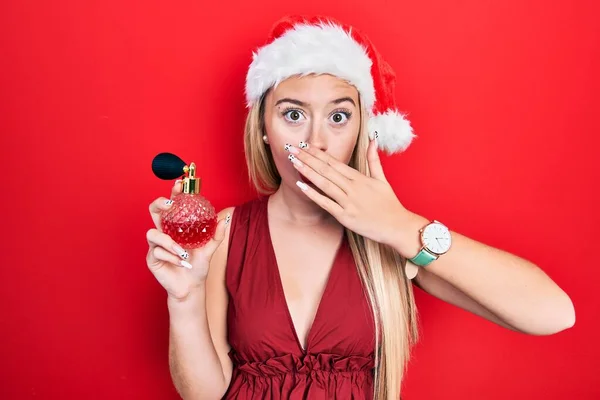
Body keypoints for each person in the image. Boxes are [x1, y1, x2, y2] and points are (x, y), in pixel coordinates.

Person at [145, 15, 575, 400]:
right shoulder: (226, 233)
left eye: (338, 117)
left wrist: (401, 227)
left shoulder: (390, 239)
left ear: (362, 132)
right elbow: (205, 393)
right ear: (263, 129)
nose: (317, 142)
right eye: (293, 115)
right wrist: (184, 299)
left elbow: (552, 313)